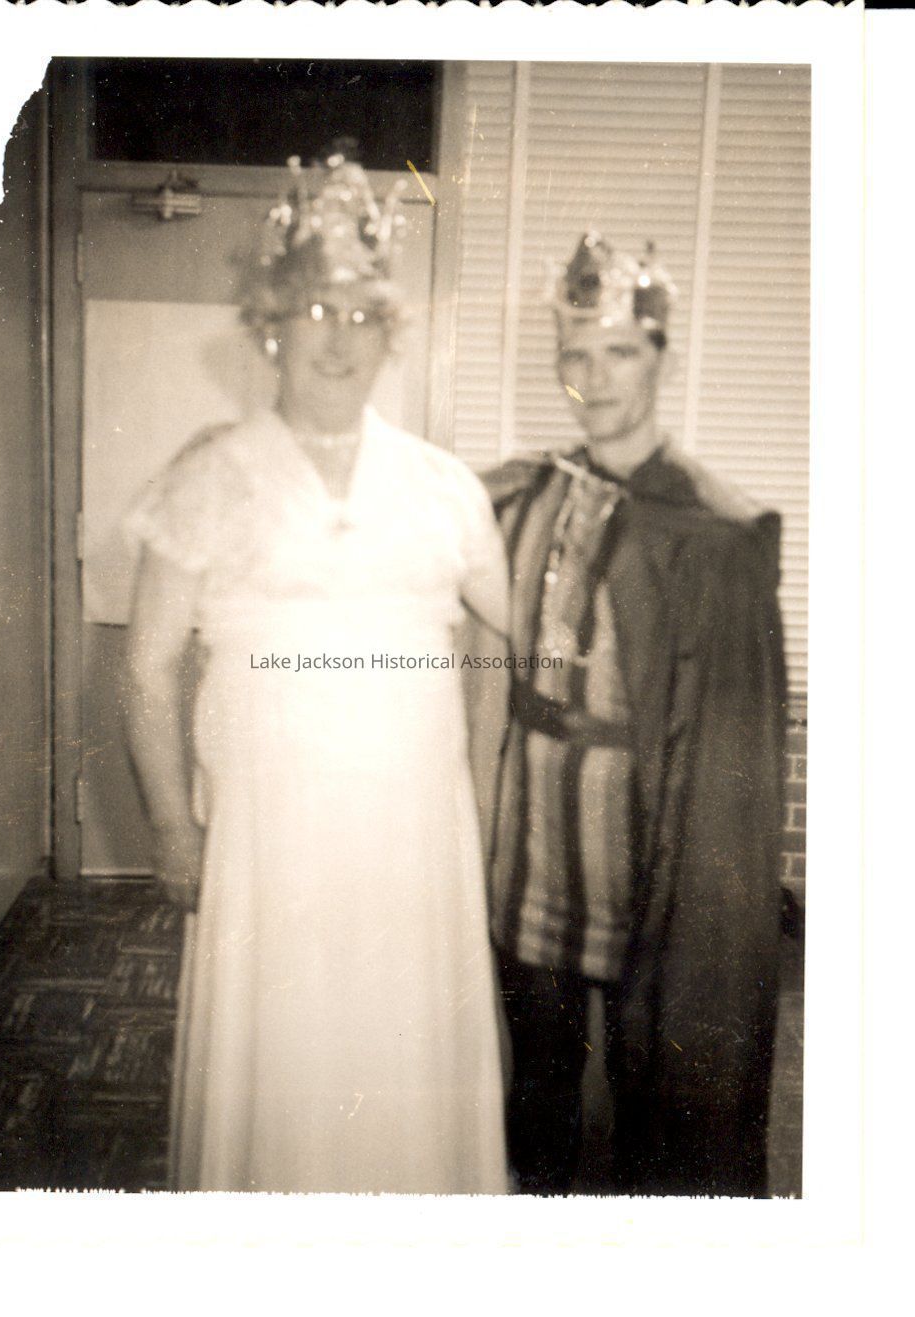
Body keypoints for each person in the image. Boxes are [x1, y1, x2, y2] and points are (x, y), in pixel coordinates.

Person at [124, 151, 510, 1194]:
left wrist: (478, 801)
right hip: (268, 838)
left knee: (401, 1048)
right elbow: (147, 668)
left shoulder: (444, 488)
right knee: (283, 1056)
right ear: (271, 327)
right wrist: (170, 826)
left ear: (391, 334)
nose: (337, 339)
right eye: (313, 312)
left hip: (414, 839)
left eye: (361, 316)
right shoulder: (207, 478)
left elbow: (511, 644)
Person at [467, 231, 786, 1197]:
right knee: (536, 1089)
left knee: (658, 1086)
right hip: (532, 850)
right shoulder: (524, 494)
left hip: (646, 855)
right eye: (577, 353)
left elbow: (725, 746)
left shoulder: (712, 531)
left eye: (620, 352)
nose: (596, 377)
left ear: (661, 360)